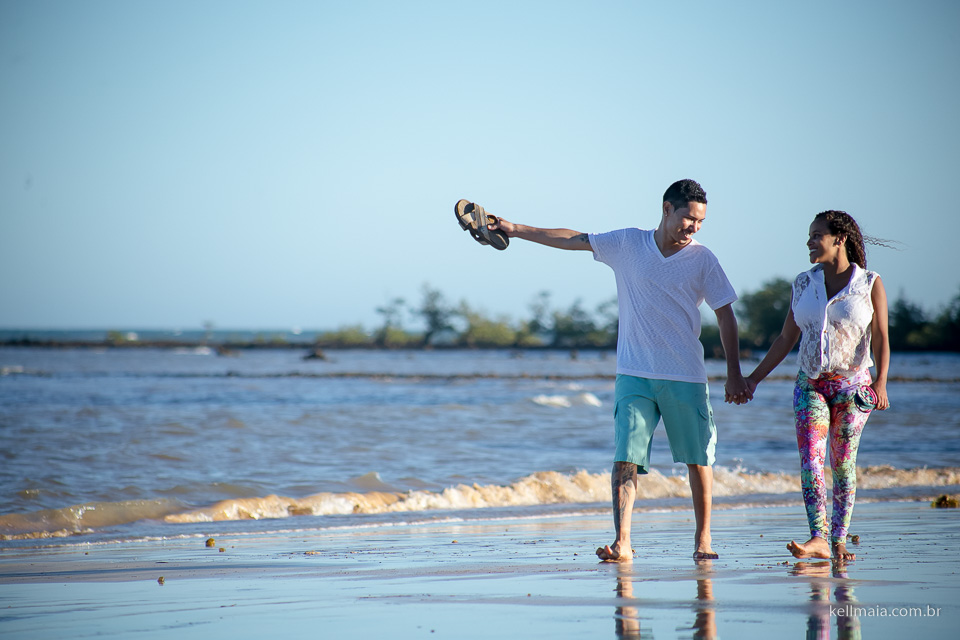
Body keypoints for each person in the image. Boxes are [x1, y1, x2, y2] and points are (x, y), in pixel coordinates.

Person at [488, 179, 751, 561]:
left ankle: (703, 541)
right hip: (633, 373)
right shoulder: (628, 244)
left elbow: (725, 314)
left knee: (698, 459)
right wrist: (515, 229)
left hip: (685, 374)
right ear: (666, 209)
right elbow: (572, 239)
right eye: (688, 218)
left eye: (700, 222)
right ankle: (622, 541)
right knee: (625, 457)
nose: (693, 227)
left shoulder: (703, 259)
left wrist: (734, 372)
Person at [744, 210, 890, 561]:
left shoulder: (869, 283)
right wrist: (752, 379)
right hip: (809, 384)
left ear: (839, 239)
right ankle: (818, 538)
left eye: (816, 235)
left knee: (842, 466)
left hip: (853, 389)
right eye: (809, 236)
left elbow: (882, 336)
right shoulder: (803, 284)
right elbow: (784, 339)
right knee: (811, 461)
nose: (809, 242)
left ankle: (838, 539)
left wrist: (882, 383)